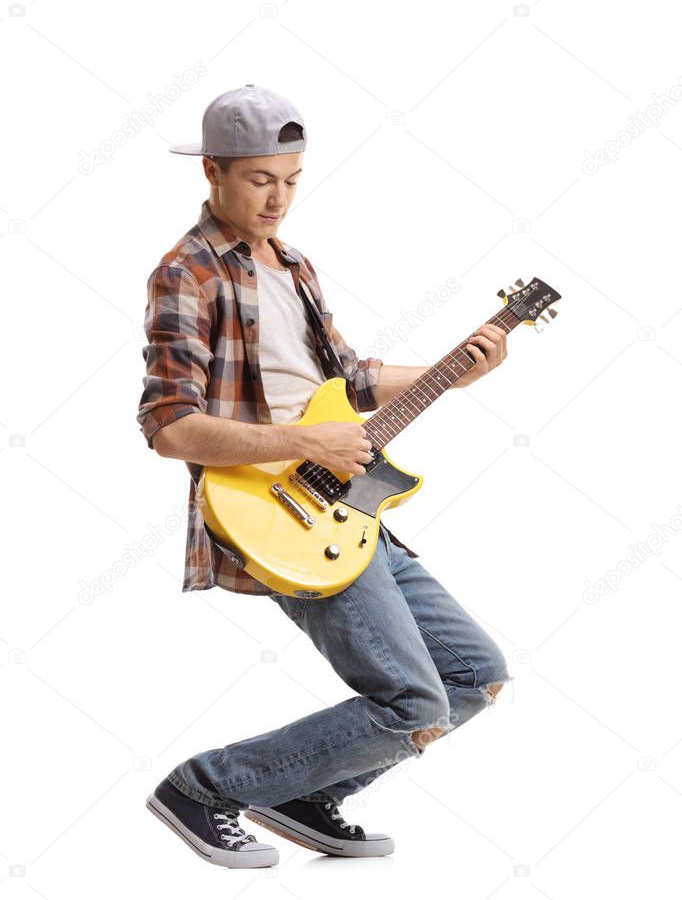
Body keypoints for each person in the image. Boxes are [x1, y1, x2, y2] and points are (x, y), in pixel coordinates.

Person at [137, 85, 511, 869]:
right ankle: (203, 786)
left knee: (476, 674)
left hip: (349, 504)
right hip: (272, 509)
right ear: (212, 170)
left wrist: (455, 372)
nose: (278, 198)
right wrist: (305, 437)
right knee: (413, 701)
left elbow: (351, 376)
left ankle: (305, 794)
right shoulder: (186, 273)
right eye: (259, 180)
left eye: (292, 179)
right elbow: (170, 427)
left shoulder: (297, 265)